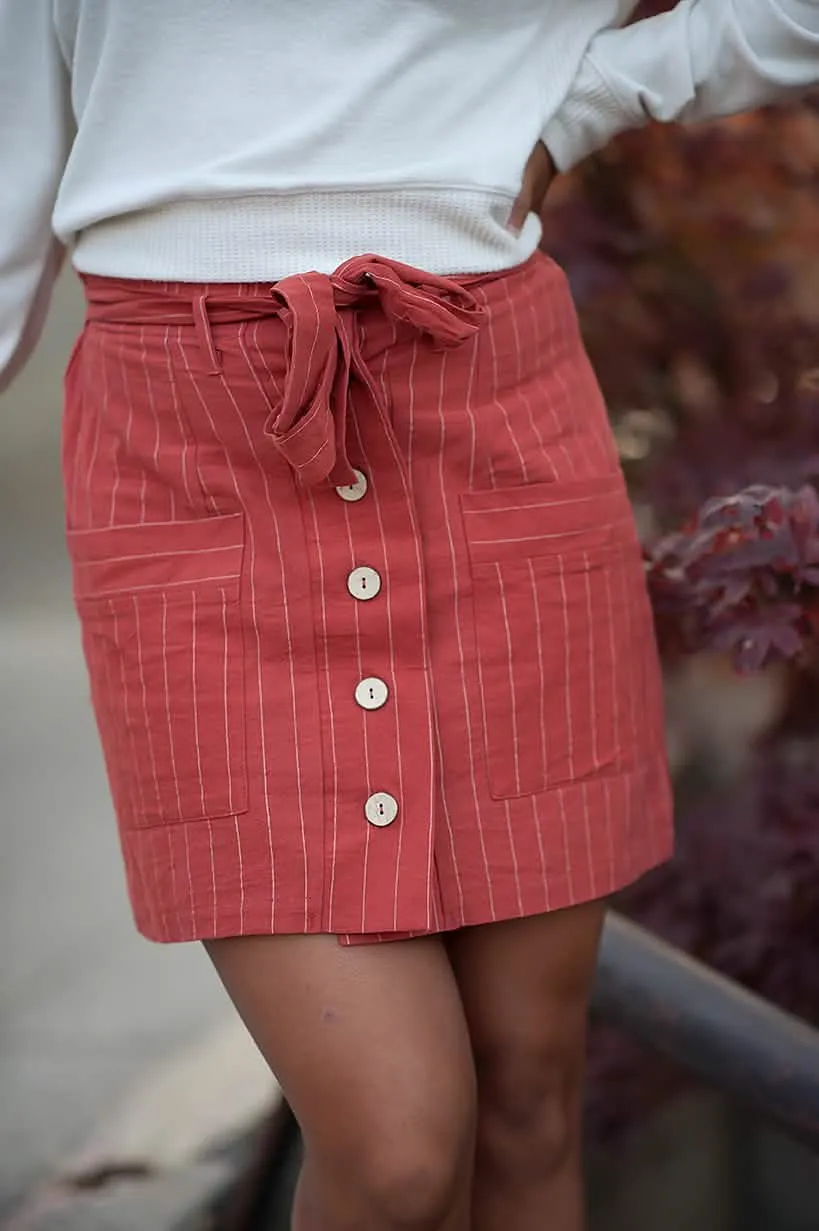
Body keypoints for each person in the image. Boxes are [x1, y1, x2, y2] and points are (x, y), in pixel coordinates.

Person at [1, 3, 817, 1229]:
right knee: (394, 1150)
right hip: (193, 456)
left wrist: (608, 90)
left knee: (529, 1097)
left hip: (490, 412)